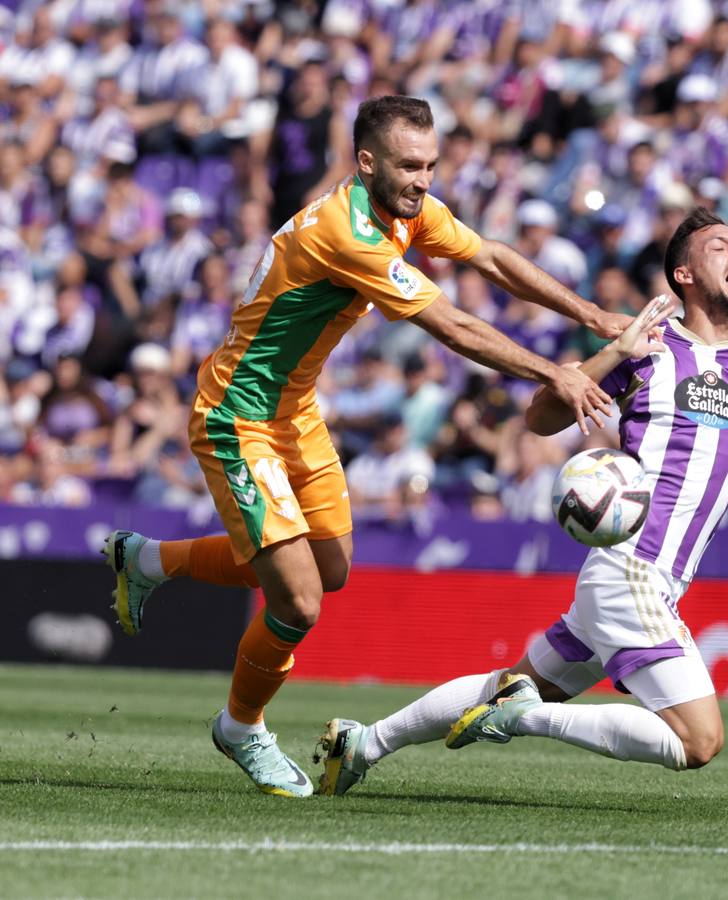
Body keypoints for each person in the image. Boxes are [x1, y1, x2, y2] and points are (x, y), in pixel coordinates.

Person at [99, 95, 628, 799]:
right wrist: (553, 369)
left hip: (295, 411)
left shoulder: (405, 209)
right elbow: (451, 324)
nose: (423, 179)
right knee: (300, 603)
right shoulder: (345, 232)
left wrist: (590, 314)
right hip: (237, 415)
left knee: (330, 570)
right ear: (367, 162)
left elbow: (491, 257)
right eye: (410, 166)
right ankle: (240, 727)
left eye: (432, 165)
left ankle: (147, 561)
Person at [313, 223, 728, 796]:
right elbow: (541, 418)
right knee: (698, 740)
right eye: (721, 247)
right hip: (632, 566)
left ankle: (364, 744)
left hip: (640, 578)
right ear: (684, 276)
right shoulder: (647, 350)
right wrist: (613, 351)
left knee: (513, 684)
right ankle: (523, 718)